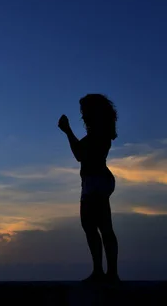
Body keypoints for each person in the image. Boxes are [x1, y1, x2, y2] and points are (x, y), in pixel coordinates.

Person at [58, 94, 120, 283]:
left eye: (84, 111)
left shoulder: (99, 134)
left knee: (99, 227)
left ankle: (107, 273)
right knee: (94, 227)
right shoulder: (98, 133)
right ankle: (104, 273)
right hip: (94, 181)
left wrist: (67, 131)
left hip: (96, 181)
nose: (82, 116)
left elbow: (80, 154)